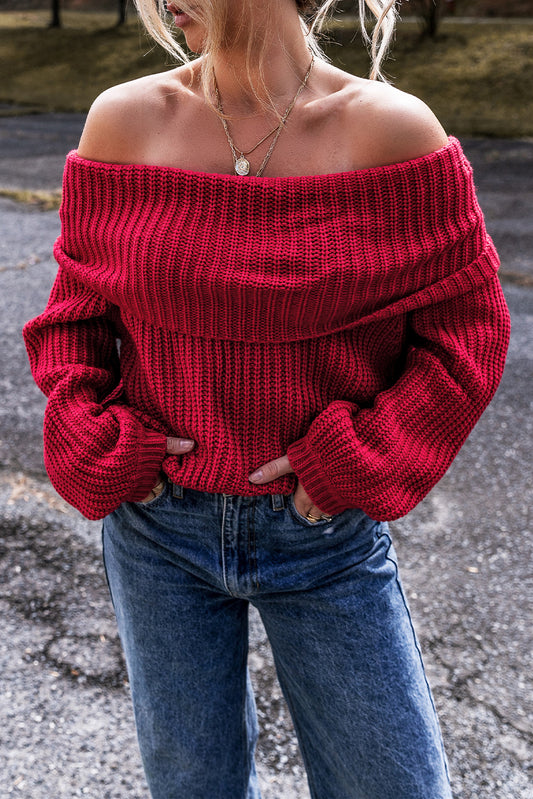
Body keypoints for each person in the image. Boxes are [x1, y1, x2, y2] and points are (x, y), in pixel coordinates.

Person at [23, 1, 510, 797]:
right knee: (193, 786)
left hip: (324, 537)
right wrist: (95, 440)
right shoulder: (124, 122)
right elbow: (75, 316)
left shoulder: (392, 132)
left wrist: (360, 460)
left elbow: (468, 333)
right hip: (156, 531)